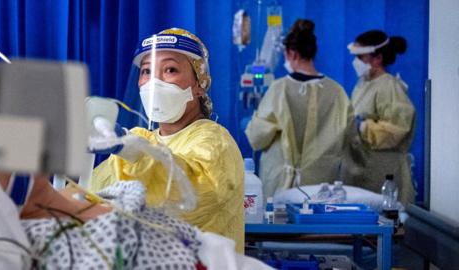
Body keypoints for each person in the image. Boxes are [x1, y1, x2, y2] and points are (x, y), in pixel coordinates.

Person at [90, 28, 245, 252]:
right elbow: (96, 192)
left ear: (199, 85)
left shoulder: (215, 141)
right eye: (146, 72)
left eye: (170, 70)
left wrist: (132, 151)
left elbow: (191, 196)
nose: (154, 82)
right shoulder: (141, 138)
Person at [245, 19, 354, 199]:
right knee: (315, 225)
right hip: (321, 186)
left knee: (279, 225)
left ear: (292, 53)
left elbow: (257, 139)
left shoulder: (279, 89)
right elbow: (350, 139)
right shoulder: (337, 93)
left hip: (281, 185)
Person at [344, 30, 415, 204]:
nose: (356, 62)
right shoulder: (362, 84)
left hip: (382, 173)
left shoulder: (389, 87)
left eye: (361, 57)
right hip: (361, 167)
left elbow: (398, 129)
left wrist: (362, 127)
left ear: (378, 58)